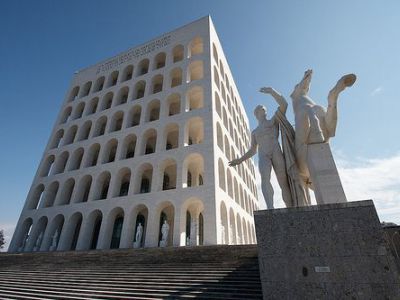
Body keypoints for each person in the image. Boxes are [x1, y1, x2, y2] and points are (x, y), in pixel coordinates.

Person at [229, 87, 293, 209]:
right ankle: (270, 208)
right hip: (263, 155)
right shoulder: (255, 132)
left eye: (264, 109)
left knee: (283, 181)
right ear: (256, 114)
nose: (263, 110)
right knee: (265, 178)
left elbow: (284, 104)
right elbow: (253, 150)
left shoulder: (273, 121)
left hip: (276, 151)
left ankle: (290, 207)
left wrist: (272, 92)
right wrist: (240, 160)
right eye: (260, 109)